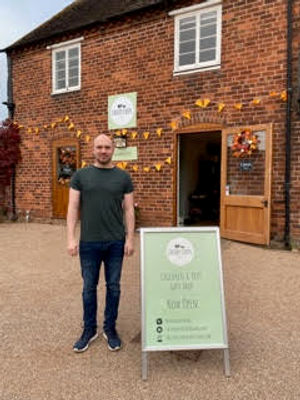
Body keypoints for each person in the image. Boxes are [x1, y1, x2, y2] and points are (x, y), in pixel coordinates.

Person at [67, 133, 134, 353]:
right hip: (89, 243)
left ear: (113, 149)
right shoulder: (81, 176)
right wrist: (70, 237)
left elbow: (130, 209)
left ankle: (110, 329)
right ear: (93, 149)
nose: (103, 151)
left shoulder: (123, 177)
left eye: (107, 147)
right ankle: (89, 329)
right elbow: (73, 207)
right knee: (89, 288)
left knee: (113, 288)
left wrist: (130, 238)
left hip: (115, 241)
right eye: (99, 147)